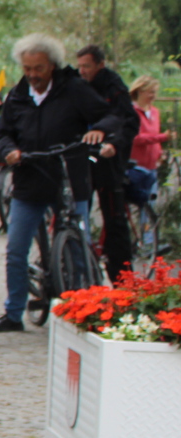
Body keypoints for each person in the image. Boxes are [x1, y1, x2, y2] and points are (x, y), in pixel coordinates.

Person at [0, 34, 125, 332]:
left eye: (38, 68)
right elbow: (1, 134)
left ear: (52, 65)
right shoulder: (18, 94)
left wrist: (100, 131)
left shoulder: (74, 89)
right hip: (29, 178)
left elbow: (112, 116)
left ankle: (82, 310)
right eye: (27, 68)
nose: (32, 75)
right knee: (16, 250)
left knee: (78, 246)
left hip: (69, 177)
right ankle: (13, 313)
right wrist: (9, 150)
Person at [74, 44, 137, 284]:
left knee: (114, 219)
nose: (82, 71)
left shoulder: (114, 86)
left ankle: (122, 281)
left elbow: (128, 121)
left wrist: (114, 144)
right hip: (80, 154)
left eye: (87, 66)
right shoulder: (76, 84)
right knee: (70, 212)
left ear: (100, 65)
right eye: (80, 66)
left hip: (108, 158)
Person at [131, 74, 171, 171]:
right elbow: (135, 138)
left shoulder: (155, 112)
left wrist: (159, 153)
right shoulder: (130, 111)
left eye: (155, 92)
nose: (154, 96)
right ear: (140, 91)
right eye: (151, 92)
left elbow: (154, 135)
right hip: (135, 166)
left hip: (152, 166)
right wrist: (162, 137)